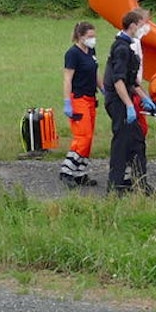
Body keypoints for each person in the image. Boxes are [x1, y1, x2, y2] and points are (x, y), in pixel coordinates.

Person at [104, 8, 155, 193]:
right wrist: (128, 106)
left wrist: (144, 98)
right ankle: (115, 185)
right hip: (118, 101)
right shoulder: (122, 49)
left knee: (137, 141)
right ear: (133, 26)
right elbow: (118, 81)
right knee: (122, 142)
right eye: (142, 25)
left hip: (125, 98)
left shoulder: (129, 46)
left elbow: (130, 81)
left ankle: (139, 181)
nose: (144, 28)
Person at [59, 21, 101, 187]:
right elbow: (67, 78)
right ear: (80, 36)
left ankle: (80, 173)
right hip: (78, 99)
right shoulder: (72, 54)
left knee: (89, 140)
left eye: (94, 36)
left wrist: (103, 88)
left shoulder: (91, 50)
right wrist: (67, 101)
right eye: (90, 36)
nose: (93, 39)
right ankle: (67, 170)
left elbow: (96, 71)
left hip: (91, 98)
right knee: (84, 137)